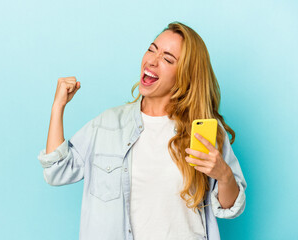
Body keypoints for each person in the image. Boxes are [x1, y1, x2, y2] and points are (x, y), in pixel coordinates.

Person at [37, 21, 247, 240]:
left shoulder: (203, 131)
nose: (152, 61)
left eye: (167, 59)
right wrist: (57, 107)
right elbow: (56, 170)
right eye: (151, 49)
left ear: (186, 76)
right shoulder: (107, 125)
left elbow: (231, 208)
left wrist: (224, 175)